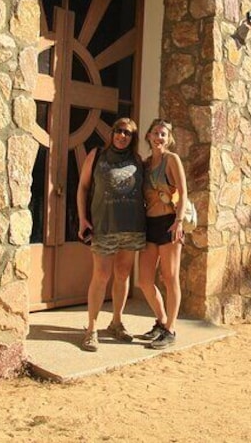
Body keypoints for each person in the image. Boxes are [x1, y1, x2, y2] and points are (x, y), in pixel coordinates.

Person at [76, 118, 146, 352]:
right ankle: (91, 329)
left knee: (123, 274)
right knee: (101, 275)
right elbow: (83, 187)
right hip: (104, 226)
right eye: (119, 131)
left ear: (132, 138)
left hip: (131, 227)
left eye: (127, 133)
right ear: (112, 132)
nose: (122, 136)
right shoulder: (96, 155)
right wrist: (83, 218)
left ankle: (116, 322)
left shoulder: (136, 160)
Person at [137, 118, 188, 349]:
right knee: (144, 280)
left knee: (169, 277)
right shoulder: (146, 165)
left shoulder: (171, 160)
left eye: (164, 134)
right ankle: (161, 320)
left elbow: (184, 192)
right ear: (148, 136)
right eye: (156, 133)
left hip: (169, 223)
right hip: (150, 224)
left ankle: (171, 329)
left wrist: (178, 221)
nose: (159, 137)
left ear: (169, 139)